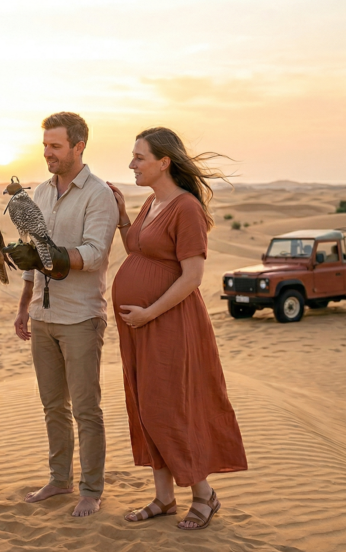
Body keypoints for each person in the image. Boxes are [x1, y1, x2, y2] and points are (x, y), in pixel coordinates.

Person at [107, 127, 247, 530]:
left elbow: (192, 277)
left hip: (169, 324)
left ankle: (204, 495)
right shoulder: (153, 202)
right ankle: (164, 498)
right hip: (139, 325)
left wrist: (149, 313)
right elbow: (140, 251)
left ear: (163, 162)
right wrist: (122, 221)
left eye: (139, 157)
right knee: (145, 405)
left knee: (169, 406)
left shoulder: (185, 208)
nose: (132, 164)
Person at [4, 112, 119, 517]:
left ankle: (91, 488)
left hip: (81, 318)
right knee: (52, 405)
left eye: (55, 146)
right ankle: (59, 479)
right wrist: (23, 308)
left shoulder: (98, 194)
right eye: (45, 146)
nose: (47, 153)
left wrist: (53, 256)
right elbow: (34, 256)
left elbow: (94, 253)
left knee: (86, 408)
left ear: (78, 146)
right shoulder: (39, 194)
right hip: (42, 317)